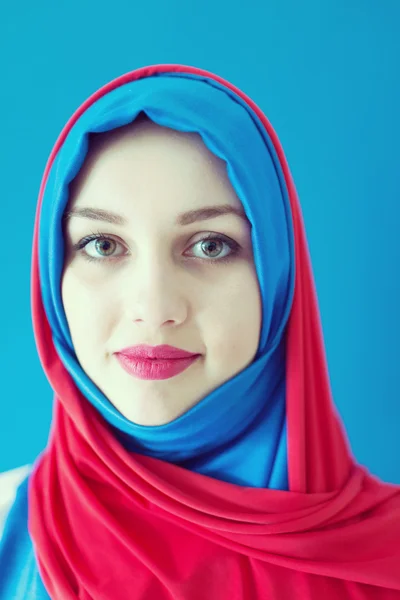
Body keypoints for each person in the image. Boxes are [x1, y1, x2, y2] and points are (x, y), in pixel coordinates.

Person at [0, 64, 399, 599]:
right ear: (51, 272)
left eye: (210, 245)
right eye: (102, 245)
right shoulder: (5, 524)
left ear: (277, 277)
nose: (155, 308)